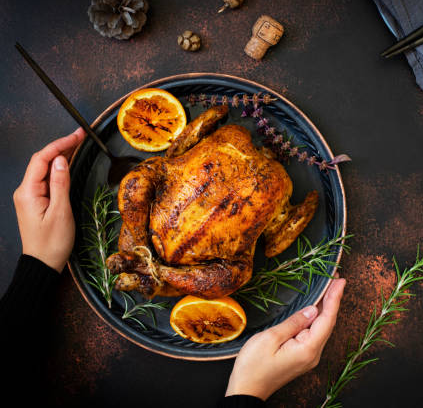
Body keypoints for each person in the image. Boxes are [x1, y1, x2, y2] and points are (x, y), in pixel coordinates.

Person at [1, 129, 346, 407]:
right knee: (239, 271)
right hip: (163, 241)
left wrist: (39, 264)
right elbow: (274, 245)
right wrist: (248, 392)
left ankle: (153, 266)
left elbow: (167, 157)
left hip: (153, 236)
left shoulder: (235, 137)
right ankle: (154, 267)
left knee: (147, 181)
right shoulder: (258, 157)